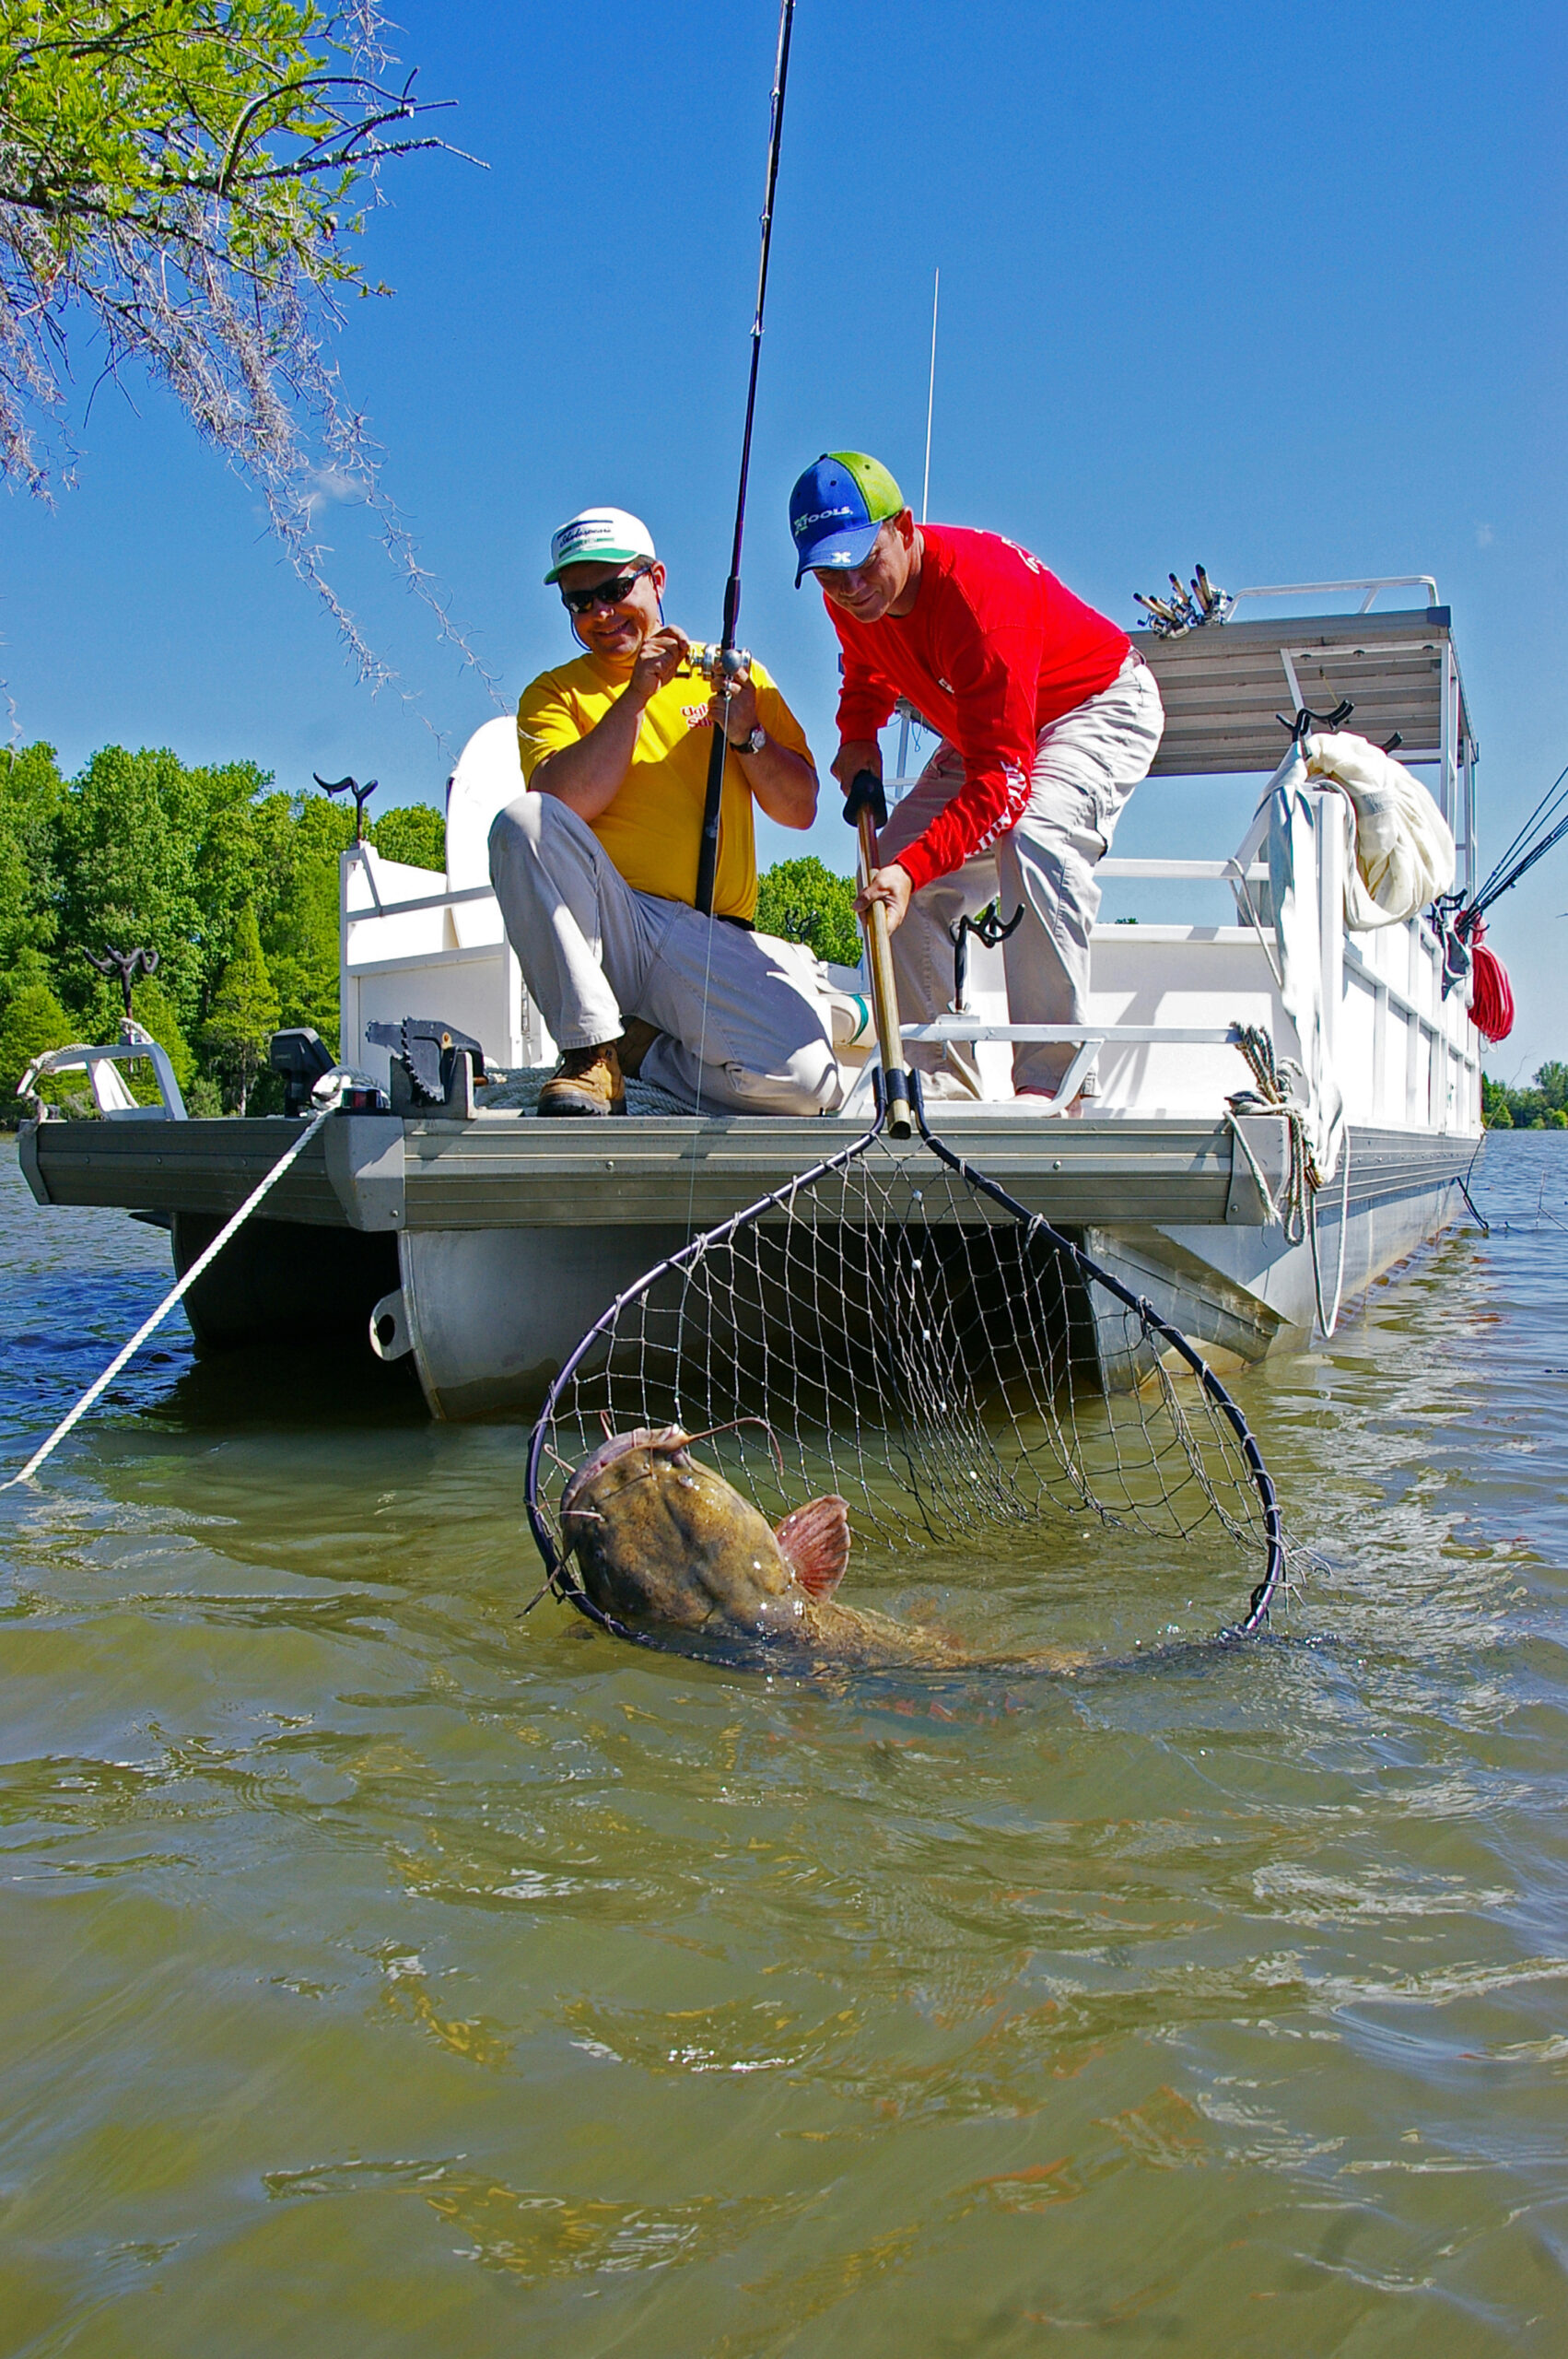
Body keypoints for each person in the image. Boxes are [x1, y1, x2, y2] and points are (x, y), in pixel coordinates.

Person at [788, 452, 1164, 1105]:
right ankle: (934, 1084)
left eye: (860, 560)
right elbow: (868, 668)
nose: (848, 587)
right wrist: (858, 737)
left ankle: (1056, 1087)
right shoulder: (853, 599)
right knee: (887, 870)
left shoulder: (979, 597)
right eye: (828, 571)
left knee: (1035, 835)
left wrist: (915, 872)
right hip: (984, 727)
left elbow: (1003, 787)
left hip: (1094, 703)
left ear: (903, 527)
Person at [488, 506, 842, 1118]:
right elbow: (558, 804)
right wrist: (635, 697)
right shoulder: (551, 693)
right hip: (615, 925)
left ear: (657, 578)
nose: (599, 614)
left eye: (614, 590)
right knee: (519, 823)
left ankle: (640, 1052)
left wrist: (749, 737)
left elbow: (801, 809)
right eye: (579, 602)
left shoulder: (734, 674)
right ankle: (589, 1052)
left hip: (710, 936)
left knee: (810, 1086)